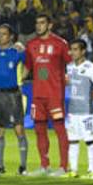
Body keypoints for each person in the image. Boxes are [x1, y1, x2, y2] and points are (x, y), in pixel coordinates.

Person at [25, 13, 71, 176]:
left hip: (55, 94)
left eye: (42, 23)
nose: (39, 26)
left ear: (50, 25)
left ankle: (63, 167)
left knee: (59, 129)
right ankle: (44, 165)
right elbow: (27, 68)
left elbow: (71, 64)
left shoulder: (60, 44)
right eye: (37, 23)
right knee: (39, 129)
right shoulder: (31, 45)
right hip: (37, 94)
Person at [0, 23, 28, 175]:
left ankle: (23, 167)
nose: (0, 36)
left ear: (10, 36)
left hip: (13, 95)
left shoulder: (17, 51)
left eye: (4, 34)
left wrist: (22, 78)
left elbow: (29, 64)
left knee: (19, 130)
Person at [65, 38, 93, 178]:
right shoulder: (69, 67)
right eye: (71, 49)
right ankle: (73, 170)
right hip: (73, 110)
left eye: (75, 49)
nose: (72, 52)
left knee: (89, 140)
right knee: (73, 140)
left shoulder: (91, 68)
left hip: (87, 111)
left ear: (83, 51)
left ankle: (91, 170)